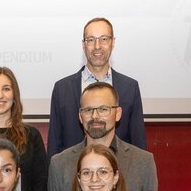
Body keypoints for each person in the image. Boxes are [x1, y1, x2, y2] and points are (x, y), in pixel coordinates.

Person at [49, 82, 157, 191]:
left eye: (103, 109)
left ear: (118, 114)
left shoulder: (143, 161)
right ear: (80, 116)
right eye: (88, 110)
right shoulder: (59, 163)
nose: (95, 116)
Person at [48, 17, 147, 159]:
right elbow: (54, 145)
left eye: (104, 39)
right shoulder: (62, 89)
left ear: (113, 42)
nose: (97, 46)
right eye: (91, 40)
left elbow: (138, 146)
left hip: (120, 176)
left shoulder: (130, 88)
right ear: (83, 45)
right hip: (73, 175)